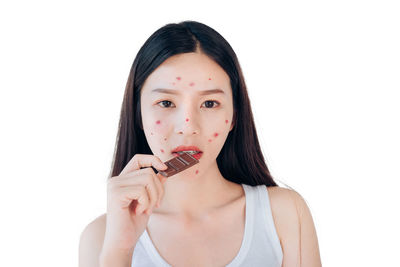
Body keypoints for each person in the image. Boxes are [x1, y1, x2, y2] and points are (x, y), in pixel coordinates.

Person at [79, 20, 322, 267]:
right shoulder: (101, 237)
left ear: (234, 115)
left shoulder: (284, 215)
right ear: (138, 113)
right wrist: (120, 249)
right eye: (166, 103)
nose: (188, 126)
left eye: (209, 104)